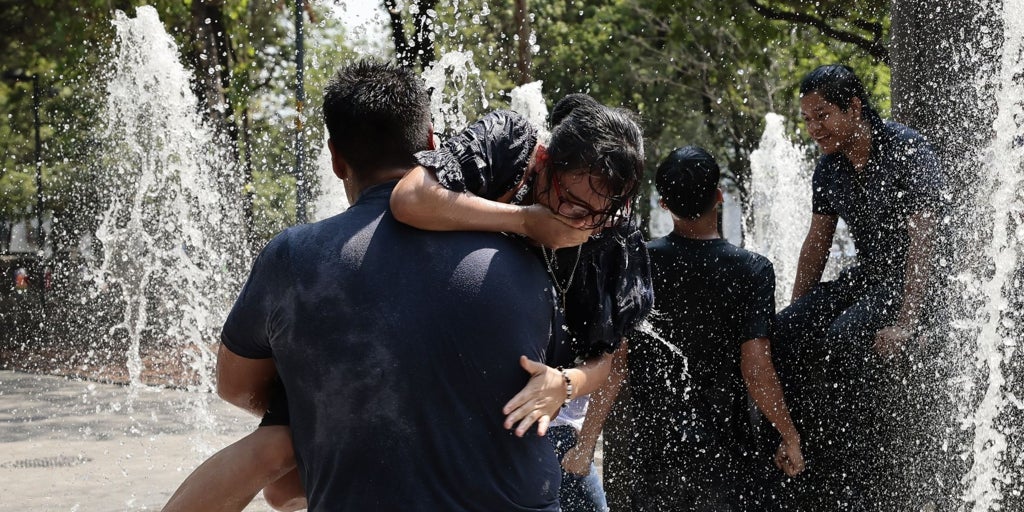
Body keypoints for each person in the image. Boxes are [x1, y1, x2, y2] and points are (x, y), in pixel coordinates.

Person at [165, 59, 582, 512]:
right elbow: (561, 382)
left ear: (336, 158)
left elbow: (235, 386)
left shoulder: (293, 257)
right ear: (430, 144)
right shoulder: (524, 257)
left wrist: (324, 408)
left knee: (278, 452)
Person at [391, 92, 653, 511]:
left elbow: (607, 359)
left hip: (536, 421)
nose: (579, 222)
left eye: (597, 214)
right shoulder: (510, 145)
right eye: (571, 202)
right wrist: (525, 220)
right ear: (544, 159)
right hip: (438, 396)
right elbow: (409, 199)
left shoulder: (613, 232)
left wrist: (565, 384)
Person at [573, 146, 805, 511]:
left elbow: (615, 365)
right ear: (718, 196)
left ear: (664, 203)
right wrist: (789, 436)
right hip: (727, 459)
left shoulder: (638, 262)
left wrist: (585, 445)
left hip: (655, 455)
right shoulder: (752, 271)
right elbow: (756, 368)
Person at [770, 64, 943, 509]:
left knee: (844, 338)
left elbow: (924, 240)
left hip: (912, 279)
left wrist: (907, 322)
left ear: (853, 106)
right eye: (807, 120)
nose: (814, 129)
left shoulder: (907, 149)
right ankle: (798, 453)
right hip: (867, 276)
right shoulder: (829, 167)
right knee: (783, 332)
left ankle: (855, 469)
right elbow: (816, 244)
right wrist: (797, 313)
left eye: (822, 116)